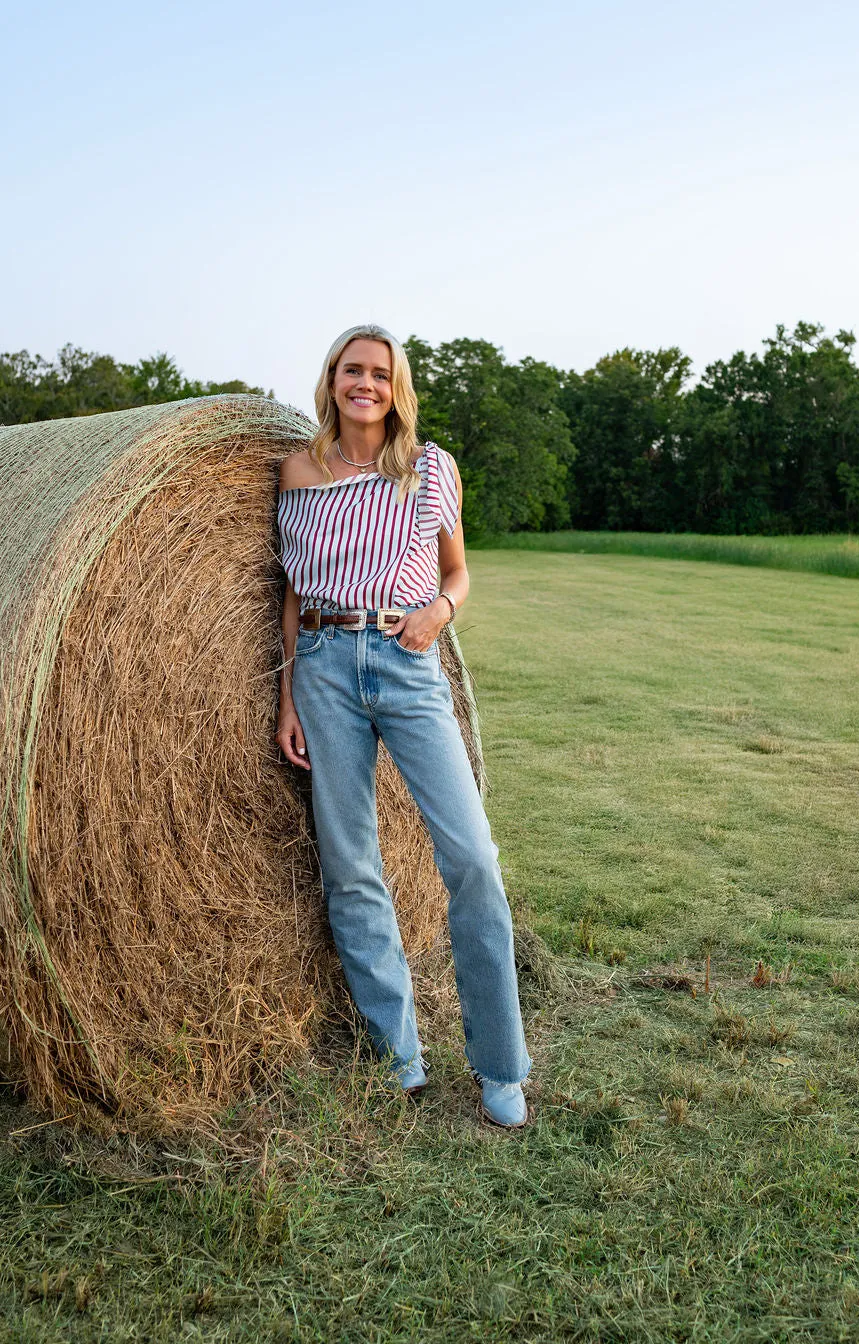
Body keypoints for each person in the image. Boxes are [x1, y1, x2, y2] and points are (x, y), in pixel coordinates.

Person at [274, 324, 531, 1128]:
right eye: (353, 371)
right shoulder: (295, 471)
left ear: (397, 387)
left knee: (472, 858)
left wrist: (441, 611)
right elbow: (288, 590)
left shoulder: (429, 469)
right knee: (352, 866)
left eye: (381, 375)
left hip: (407, 660)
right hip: (320, 663)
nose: (366, 385)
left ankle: (500, 1066)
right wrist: (288, 694)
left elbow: (458, 571)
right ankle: (399, 1054)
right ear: (331, 380)